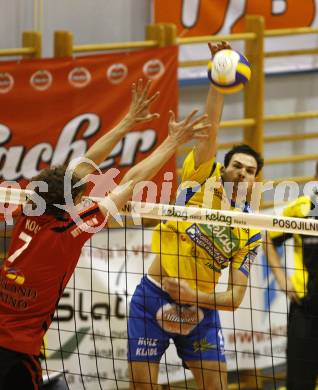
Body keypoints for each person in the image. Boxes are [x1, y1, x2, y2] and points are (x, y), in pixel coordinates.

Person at [0, 79, 210, 390]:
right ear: (68, 206)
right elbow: (132, 182)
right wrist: (172, 141)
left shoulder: (29, 207)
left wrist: (128, 121)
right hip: (18, 351)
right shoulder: (69, 233)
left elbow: (82, 168)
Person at [127, 43, 264, 390]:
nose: (242, 173)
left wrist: (195, 296)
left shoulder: (250, 229)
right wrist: (219, 83)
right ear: (225, 167)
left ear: (255, 181)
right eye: (237, 166)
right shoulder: (202, 178)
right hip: (153, 296)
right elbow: (211, 127)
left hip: (201, 307)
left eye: (250, 171)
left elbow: (234, 297)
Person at [264, 162, 318, 390]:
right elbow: (267, 237)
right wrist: (282, 279)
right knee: (299, 381)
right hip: (305, 308)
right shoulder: (303, 208)